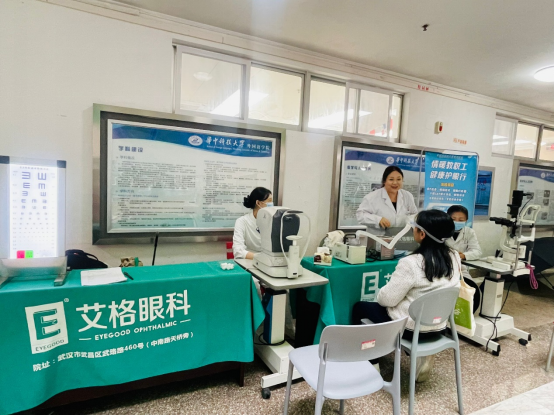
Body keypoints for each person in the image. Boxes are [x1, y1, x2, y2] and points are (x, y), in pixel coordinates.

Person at [352, 210, 462, 381]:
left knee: (360, 308)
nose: (412, 229)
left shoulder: (411, 263)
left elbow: (386, 300)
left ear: (422, 234)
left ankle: (371, 363)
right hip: (440, 327)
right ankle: (421, 357)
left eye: (415, 227)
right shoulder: (454, 256)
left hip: (411, 330)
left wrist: (383, 292)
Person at [356, 166, 418, 233]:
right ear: (384, 181)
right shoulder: (372, 197)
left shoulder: (407, 196)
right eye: (391, 179)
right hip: (378, 237)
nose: (395, 183)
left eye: (398, 179)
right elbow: (360, 215)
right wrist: (378, 220)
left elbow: (414, 215)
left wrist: (408, 221)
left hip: (400, 236)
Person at [233, 187, 273, 260]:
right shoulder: (242, 221)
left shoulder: (273, 221)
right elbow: (238, 251)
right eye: (269, 201)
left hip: (269, 262)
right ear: (258, 203)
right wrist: (260, 258)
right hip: (249, 261)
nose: (272, 204)